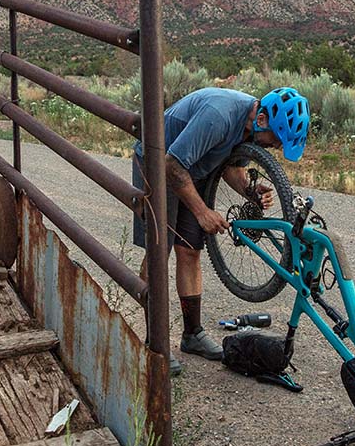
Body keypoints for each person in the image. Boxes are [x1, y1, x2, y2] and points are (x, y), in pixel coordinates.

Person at [132, 85, 310, 375]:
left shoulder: (249, 127)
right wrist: (202, 212)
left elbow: (231, 168)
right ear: (262, 120)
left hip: (192, 170)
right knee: (158, 254)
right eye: (276, 140)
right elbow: (172, 165)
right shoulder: (220, 115)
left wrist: (250, 191)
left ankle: (192, 335)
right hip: (159, 163)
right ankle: (156, 344)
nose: (275, 147)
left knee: (190, 252)